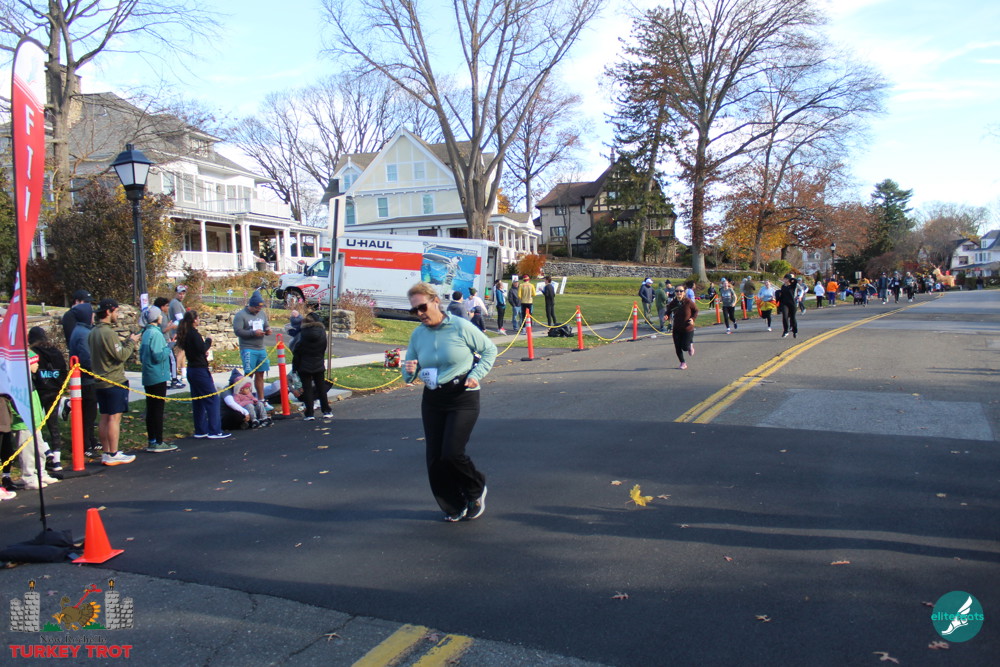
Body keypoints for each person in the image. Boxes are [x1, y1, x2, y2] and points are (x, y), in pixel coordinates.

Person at [403, 282, 497, 522]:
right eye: (414, 310)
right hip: (433, 398)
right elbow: (408, 373)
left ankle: (475, 489)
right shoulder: (418, 334)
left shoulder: (460, 326)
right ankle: (453, 504)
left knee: (452, 453)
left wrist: (476, 375)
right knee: (435, 459)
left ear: (435, 301)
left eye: (422, 307)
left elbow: (489, 350)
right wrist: (409, 370)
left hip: (462, 395)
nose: (419, 313)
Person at [89, 298, 139, 466]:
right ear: (108, 311)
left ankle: (106, 452)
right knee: (114, 418)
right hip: (114, 380)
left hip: (100, 381)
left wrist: (123, 343)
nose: (117, 315)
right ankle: (113, 452)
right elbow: (121, 355)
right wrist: (131, 342)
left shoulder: (93, 332)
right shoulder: (108, 333)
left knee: (104, 417)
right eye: (116, 311)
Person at [11, 353, 61, 490]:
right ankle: (29, 477)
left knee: (39, 448)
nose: (37, 365)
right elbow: (13, 402)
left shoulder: (29, 380)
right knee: (27, 451)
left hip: (34, 420)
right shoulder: (16, 380)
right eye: (34, 362)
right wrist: (20, 415)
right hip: (24, 422)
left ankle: (41, 473)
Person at [179, 310, 230, 440]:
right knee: (212, 399)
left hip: (192, 368)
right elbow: (202, 348)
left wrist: (202, 353)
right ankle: (215, 430)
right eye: (198, 318)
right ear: (194, 320)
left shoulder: (185, 334)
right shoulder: (194, 334)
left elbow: (196, 350)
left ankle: (200, 429)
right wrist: (208, 340)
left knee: (198, 400)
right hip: (200, 370)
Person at [28, 326, 67, 472]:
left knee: (35, 424)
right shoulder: (55, 351)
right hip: (55, 390)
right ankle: (57, 459)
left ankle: (46, 451)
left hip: (39, 391)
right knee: (53, 424)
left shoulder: (33, 352)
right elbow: (63, 371)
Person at [139, 306, 178, 453]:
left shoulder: (146, 333)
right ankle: (158, 441)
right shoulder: (156, 334)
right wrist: (169, 347)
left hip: (149, 375)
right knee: (157, 410)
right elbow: (158, 355)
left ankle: (152, 440)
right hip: (157, 375)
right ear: (156, 318)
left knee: (151, 409)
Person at [68, 302, 100, 456]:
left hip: (83, 377)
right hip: (86, 379)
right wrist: (95, 372)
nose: (93, 316)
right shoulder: (83, 333)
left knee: (89, 412)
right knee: (88, 413)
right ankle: (85, 444)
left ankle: (91, 440)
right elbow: (87, 357)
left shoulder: (79, 330)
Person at [233, 290, 272, 403]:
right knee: (249, 374)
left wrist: (268, 330)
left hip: (261, 348)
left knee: (261, 374)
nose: (258, 310)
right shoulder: (241, 315)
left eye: (260, 308)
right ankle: (246, 399)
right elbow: (238, 331)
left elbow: (266, 325)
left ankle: (261, 400)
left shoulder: (262, 314)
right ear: (251, 305)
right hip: (248, 348)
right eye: (256, 308)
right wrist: (253, 333)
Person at [293, 311, 332, 421]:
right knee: (321, 388)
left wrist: (295, 367)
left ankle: (309, 413)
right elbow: (324, 347)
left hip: (304, 364)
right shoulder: (322, 333)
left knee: (307, 389)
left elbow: (297, 351)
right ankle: (326, 410)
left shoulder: (302, 333)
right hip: (318, 362)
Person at [672, 281, 699, 370]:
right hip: (676, 328)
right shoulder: (674, 302)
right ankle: (682, 362)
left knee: (684, 347)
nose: (679, 293)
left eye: (681, 291)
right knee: (677, 346)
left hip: (688, 328)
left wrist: (693, 319)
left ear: (684, 292)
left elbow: (696, 310)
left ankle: (690, 344)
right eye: (677, 291)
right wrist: (666, 315)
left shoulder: (688, 302)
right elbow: (668, 310)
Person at [167, 285, 188, 389]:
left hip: (179, 331)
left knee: (182, 351)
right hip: (177, 332)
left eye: (183, 293)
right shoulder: (175, 303)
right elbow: (180, 319)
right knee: (182, 351)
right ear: (176, 293)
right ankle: (174, 375)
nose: (182, 295)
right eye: (180, 293)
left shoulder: (178, 303)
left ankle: (183, 373)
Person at [776, 274, 799, 339]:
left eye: (786, 279)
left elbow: (795, 281)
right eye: (784, 279)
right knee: (785, 317)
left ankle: (795, 331)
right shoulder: (783, 286)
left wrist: (791, 279)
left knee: (793, 318)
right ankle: (786, 331)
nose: (785, 280)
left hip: (792, 304)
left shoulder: (792, 285)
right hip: (784, 303)